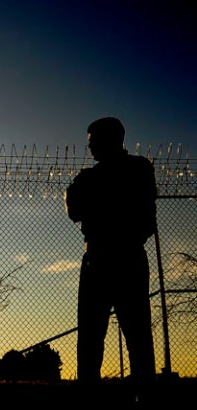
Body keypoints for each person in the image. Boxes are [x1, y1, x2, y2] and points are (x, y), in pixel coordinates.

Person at [64, 117, 157, 392]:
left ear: (110, 140)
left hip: (101, 259)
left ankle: (90, 392)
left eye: (93, 142)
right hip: (129, 256)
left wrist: (88, 203)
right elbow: (145, 218)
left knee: (93, 335)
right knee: (136, 332)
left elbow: (74, 209)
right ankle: (144, 392)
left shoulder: (90, 178)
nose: (90, 149)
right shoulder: (140, 170)